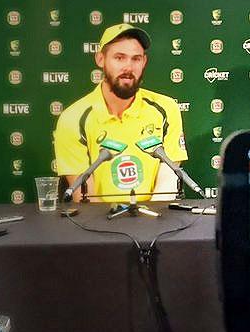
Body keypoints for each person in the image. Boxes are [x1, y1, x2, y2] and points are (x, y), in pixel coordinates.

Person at [53, 23, 188, 202]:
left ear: (144, 62)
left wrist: (148, 226)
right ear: (101, 59)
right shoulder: (72, 118)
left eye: (136, 59)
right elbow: (84, 196)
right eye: (119, 58)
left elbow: (168, 183)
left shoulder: (166, 108)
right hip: (97, 223)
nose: (128, 67)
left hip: (155, 221)